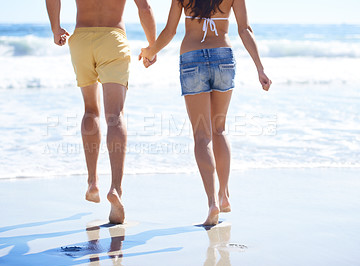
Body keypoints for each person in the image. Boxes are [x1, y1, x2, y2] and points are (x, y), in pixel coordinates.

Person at [140, 0, 271, 225]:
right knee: (219, 130)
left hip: (192, 58)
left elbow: (170, 30)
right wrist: (260, 68)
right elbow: (244, 29)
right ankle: (224, 195)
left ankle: (212, 203)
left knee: (202, 136)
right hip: (223, 57)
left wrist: (150, 52)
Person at [45, 0, 157, 224]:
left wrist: (55, 28)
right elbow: (144, 8)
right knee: (115, 116)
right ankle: (115, 188)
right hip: (112, 39)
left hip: (81, 40)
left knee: (90, 111)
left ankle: (92, 182)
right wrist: (152, 46)